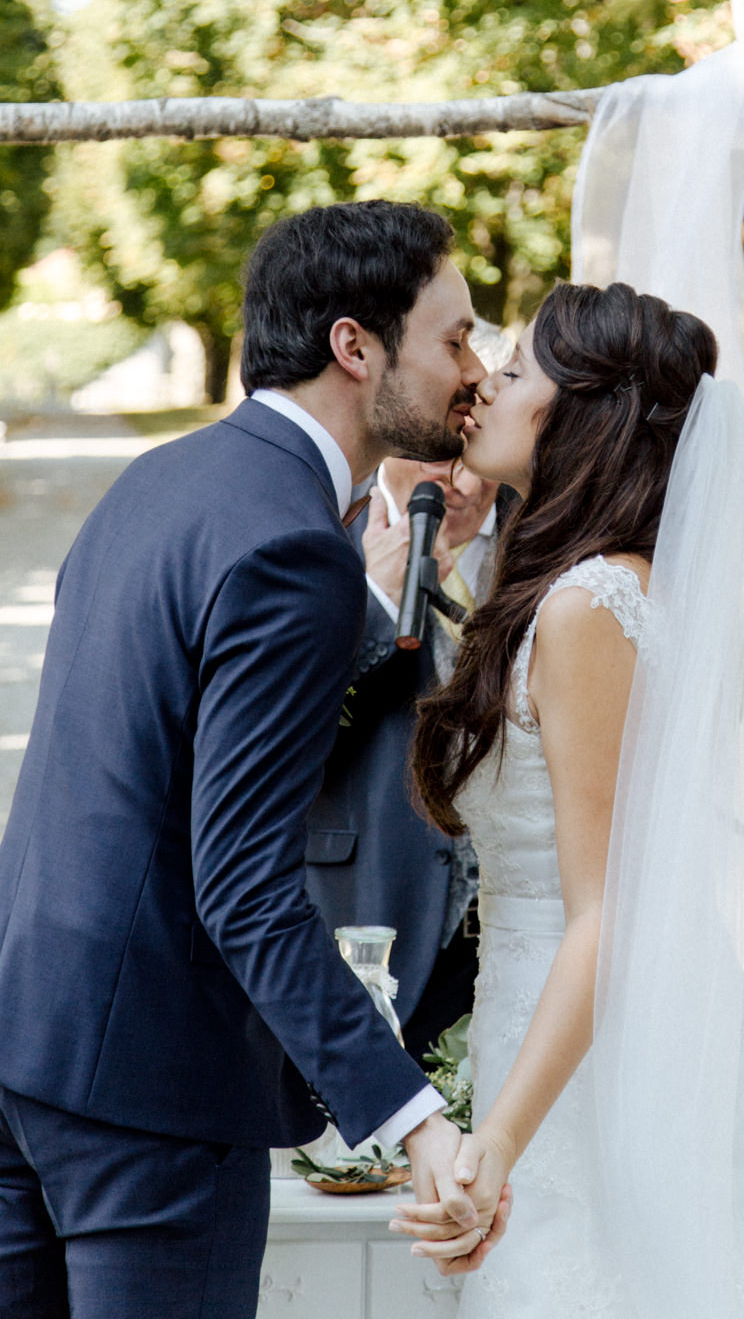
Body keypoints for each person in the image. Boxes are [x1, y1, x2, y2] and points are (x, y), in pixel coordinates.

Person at [0, 201, 510, 1319]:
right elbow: (239, 883)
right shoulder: (293, 546)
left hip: (22, 1035)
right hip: (149, 1089)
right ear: (353, 344)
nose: (475, 369)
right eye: (456, 336)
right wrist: (411, 1114)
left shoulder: (156, 480)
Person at [398, 280, 744, 1316]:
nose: (484, 383)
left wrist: (497, 1146)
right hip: (552, 1024)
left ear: (582, 417)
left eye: (517, 368)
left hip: (592, 1066)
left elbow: (603, 913)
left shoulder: (586, 608)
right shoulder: (579, 586)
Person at [306, 456, 499, 1064]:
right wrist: (371, 608)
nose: (462, 484)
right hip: (374, 902)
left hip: (519, 915)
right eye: (444, 460)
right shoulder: (322, 532)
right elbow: (282, 731)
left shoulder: (553, 535)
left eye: (475, 459)